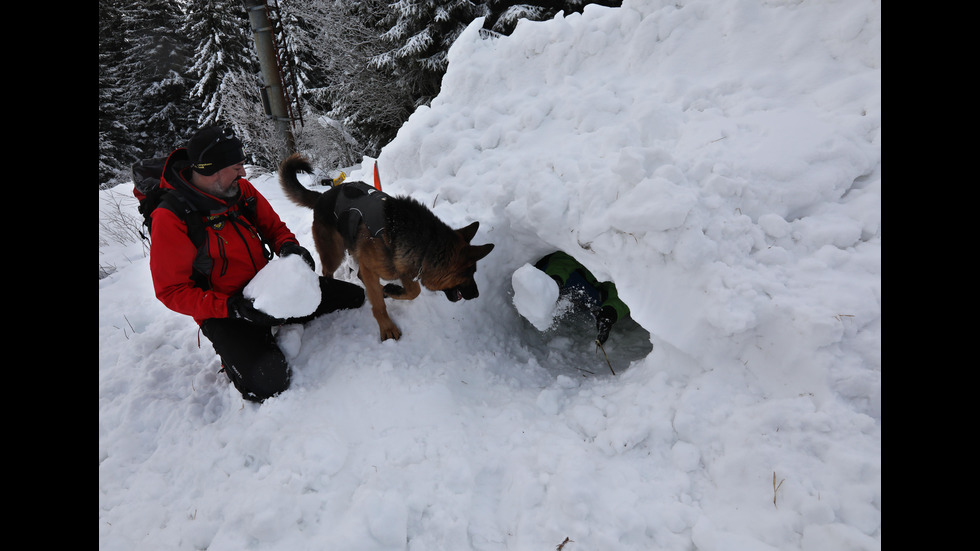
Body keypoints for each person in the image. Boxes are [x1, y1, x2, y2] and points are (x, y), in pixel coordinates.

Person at [148, 125, 365, 402]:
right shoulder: (172, 218)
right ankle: (241, 353)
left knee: (354, 297)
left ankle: (272, 325)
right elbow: (171, 291)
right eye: (236, 167)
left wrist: (290, 248)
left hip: (267, 290)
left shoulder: (242, 191)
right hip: (224, 310)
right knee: (269, 383)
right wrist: (232, 308)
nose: (243, 173)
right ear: (211, 170)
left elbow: (274, 228)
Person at [533, 251, 630, 345]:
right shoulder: (586, 248)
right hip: (571, 275)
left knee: (603, 298)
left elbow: (624, 292)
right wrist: (555, 280)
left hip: (594, 291)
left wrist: (610, 312)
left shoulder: (622, 264)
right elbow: (564, 259)